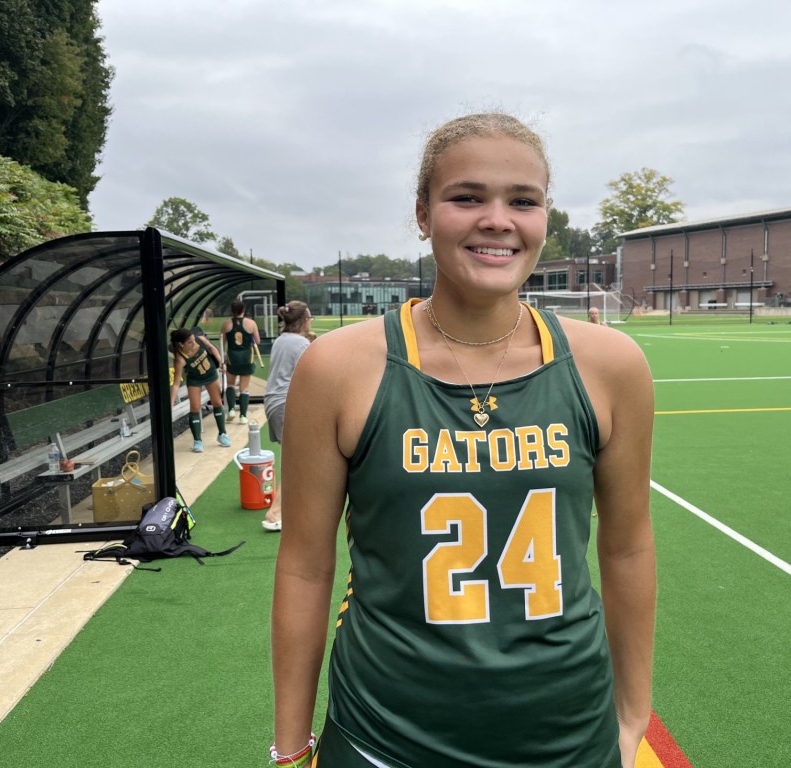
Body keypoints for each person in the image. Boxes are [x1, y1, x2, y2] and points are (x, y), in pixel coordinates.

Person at [271, 113, 656, 768]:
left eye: (523, 201)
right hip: (384, 738)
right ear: (423, 214)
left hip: (568, 734)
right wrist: (289, 747)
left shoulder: (610, 365)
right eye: (467, 197)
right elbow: (306, 566)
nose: (497, 220)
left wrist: (632, 714)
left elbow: (627, 547)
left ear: (546, 216)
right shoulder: (337, 368)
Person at [260, 301, 313, 531]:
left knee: (298, 457)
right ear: (305, 320)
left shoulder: (282, 340)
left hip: (274, 401)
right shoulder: (301, 344)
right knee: (296, 460)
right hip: (287, 402)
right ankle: (275, 512)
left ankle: (289, 507)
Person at [169, 328, 232, 452]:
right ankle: (197, 441)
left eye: (193, 340)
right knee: (195, 408)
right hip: (195, 380)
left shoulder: (199, 339)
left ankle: (222, 434)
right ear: (181, 344)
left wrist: (221, 363)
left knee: (217, 403)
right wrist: (170, 404)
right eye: (190, 342)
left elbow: (212, 348)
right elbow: (176, 384)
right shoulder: (180, 359)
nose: (194, 343)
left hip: (211, 374)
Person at [220, 300, 262, 424]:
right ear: (243, 310)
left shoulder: (226, 324)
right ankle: (243, 416)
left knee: (230, 384)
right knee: (244, 388)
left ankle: (231, 410)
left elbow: (222, 344)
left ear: (232, 310)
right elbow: (258, 341)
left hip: (232, 358)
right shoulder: (251, 323)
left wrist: (222, 361)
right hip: (246, 358)